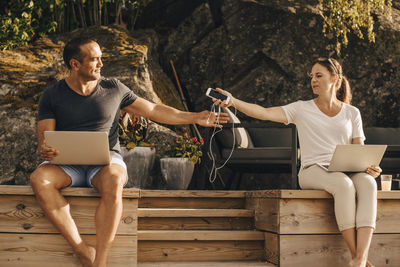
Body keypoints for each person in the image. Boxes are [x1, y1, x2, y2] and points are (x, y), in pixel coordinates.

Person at [29, 37, 228, 267]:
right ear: (75, 64)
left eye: (101, 58)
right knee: (39, 179)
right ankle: (82, 249)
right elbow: (45, 140)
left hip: (105, 163)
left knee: (114, 180)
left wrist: (195, 117)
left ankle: (100, 262)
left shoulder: (114, 88)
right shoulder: (52, 95)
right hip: (67, 165)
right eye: (95, 59)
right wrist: (47, 150)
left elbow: (153, 109)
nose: (101, 64)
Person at [212, 58, 381, 267]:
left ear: (335, 79)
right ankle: (359, 259)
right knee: (343, 185)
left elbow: (359, 150)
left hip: (345, 168)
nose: (313, 80)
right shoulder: (301, 109)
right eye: (311, 76)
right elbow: (263, 112)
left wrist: (368, 167)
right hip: (313, 170)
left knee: (368, 183)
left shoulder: (352, 112)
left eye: (319, 75)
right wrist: (233, 101)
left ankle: (360, 258)